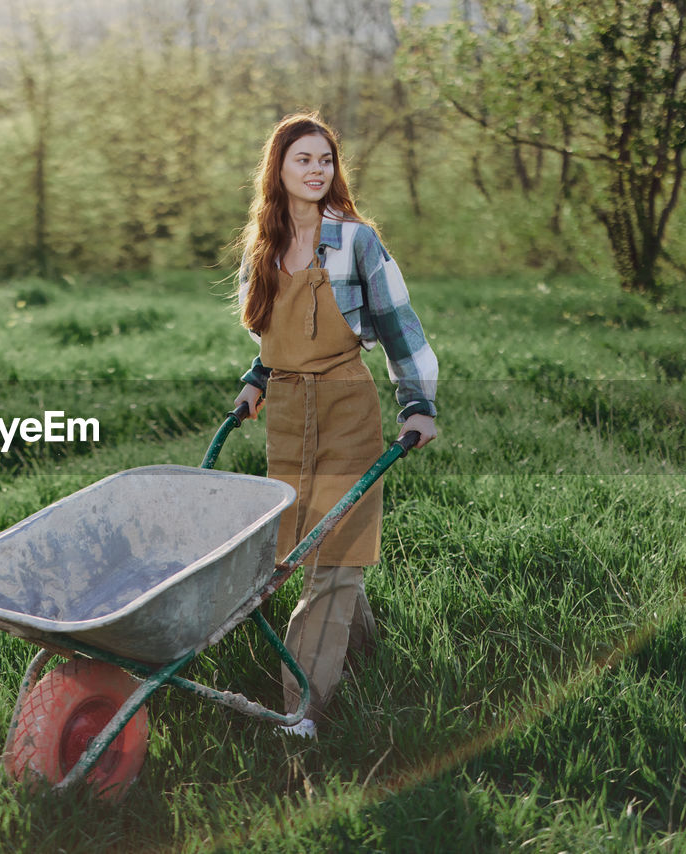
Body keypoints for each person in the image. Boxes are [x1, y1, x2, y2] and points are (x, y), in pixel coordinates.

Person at [231, 112, 438, 739]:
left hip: (347, 406)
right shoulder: (262, 247)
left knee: (332, 555)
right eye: (304, 160)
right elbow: (270, 332)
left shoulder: (356, 241)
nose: (317, 170)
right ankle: (368, 647)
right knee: (310, 544)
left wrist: (418, 403)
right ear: (280, 169)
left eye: (325, 160)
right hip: (289, 415)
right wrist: (258, 379)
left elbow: (400, 326)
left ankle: (301, 708)